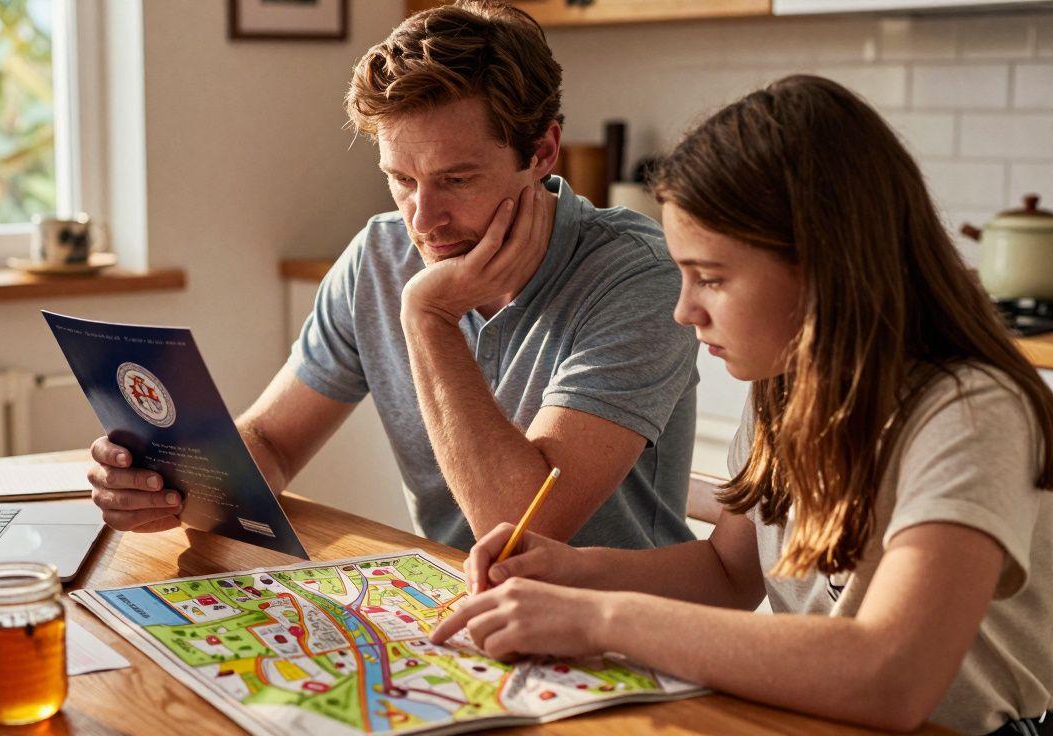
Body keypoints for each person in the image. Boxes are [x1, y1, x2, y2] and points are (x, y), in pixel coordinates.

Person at [431, 75, 1053, 735]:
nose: (684, 310)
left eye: (713, 278)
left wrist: (601, 620)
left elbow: (891, 674)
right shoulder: (788, 384)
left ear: (824, 264)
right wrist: (572, 571)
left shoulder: (971, 411)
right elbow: (730, 570)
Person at [84, 0, 700, 552]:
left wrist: (428, 317)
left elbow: (517, 531)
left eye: (456, 179)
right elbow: (272, 444)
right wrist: (164, 481)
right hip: (462, 610)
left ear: (540, 152)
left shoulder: (639, 277)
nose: (424, 221)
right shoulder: (378, 254)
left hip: (624, 641)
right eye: (402, 179)